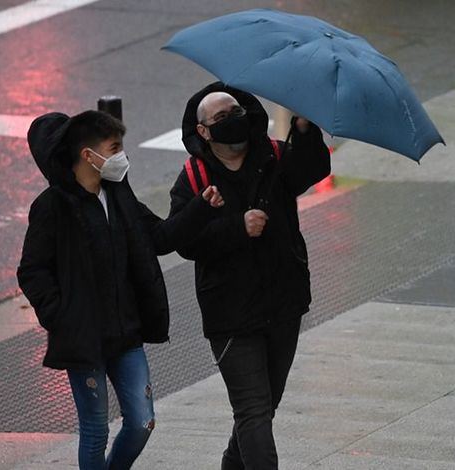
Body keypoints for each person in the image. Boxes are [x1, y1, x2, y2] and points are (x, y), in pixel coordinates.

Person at [17, 110, 224, 470]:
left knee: (142, 422)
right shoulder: (52, 207)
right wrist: (61, 316)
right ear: (87, 155)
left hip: (126, 333)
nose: (120, 156)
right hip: (84, 339)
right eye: (113, 148)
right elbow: (32, 271)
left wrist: (201, 209)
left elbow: (158, 237)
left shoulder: (118, 196)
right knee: (95, 432)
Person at [169, 82, 330, 469]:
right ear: (203, 131)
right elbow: (183, 240)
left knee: (265, 406)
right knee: (253, 410)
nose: (233, 121)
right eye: (221, 118)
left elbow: (312, 169)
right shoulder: (193, 176)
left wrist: (306, 130)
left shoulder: (273, 155)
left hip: (283, 304)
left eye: (237, 112)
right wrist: (236, 228)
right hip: (230, 314)